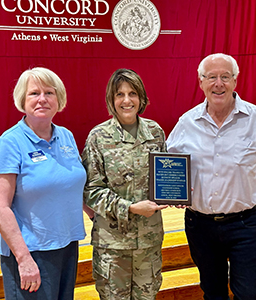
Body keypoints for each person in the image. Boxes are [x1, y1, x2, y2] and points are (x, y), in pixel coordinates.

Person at [166, 53, 256, 300]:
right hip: (199, 226)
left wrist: (250, 193)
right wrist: (175, 191)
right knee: (213, 293)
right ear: (201, 82)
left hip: (244, 224)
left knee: (251, 294)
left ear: (235, 81)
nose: (218, 83)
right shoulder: (186, 122)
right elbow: (170, 165)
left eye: (225, 77)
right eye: (211, 77)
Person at [0, 67, 93, 299]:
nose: (42, 99)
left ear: (59, 99)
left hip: (67, 245)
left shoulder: (66, 136)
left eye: (49, 93)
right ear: (22, 100)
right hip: (31, 252)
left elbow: (70, 183)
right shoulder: (9, 143)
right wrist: (23, 259)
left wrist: (96, 213)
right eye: (34, 93)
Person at [81, 68, 168, 300]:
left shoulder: (156, 133)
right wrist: (129, 208)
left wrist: (176, 194)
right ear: (111, 99)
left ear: (142, 98)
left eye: (133, 93)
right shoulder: (98, 137)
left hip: (148, 242)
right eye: (120, 94)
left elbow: (166, 179)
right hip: (113, 245)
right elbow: (91, 191)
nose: (127, 100)